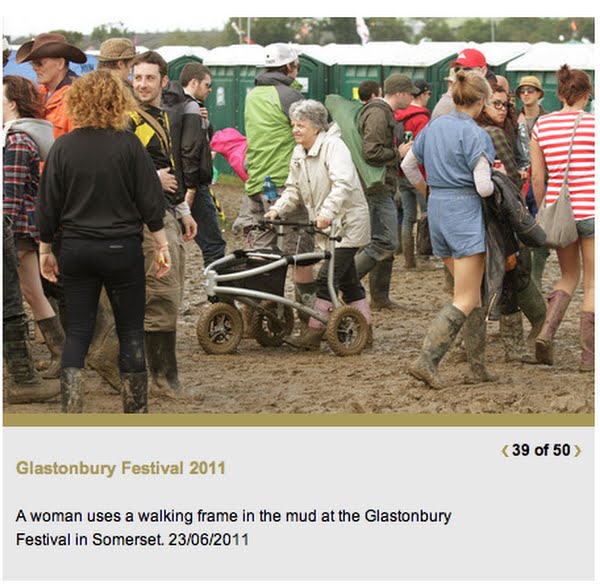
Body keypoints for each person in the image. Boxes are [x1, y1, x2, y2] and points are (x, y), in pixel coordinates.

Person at [35, 69, 170, 413]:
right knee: (130, 331)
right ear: (118, 102)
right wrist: (162, 242)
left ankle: (72, 408)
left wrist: (45, 249)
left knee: (78, 331)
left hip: (77, 250)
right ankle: (135, 410)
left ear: (78, 102)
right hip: (122, 250)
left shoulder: (63, 147)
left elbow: (47, 203)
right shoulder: (129, 145)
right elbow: (149, 199)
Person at [401, 70, 497, 388]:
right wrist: (500, 179)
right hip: (464, 214)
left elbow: (407, 165)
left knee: (471, 296)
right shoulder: (477, 134)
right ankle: (426, 360)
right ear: (481, 101)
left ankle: (478, 366)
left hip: (438, 212)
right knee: (467, 297)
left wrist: (428, 189)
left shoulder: (434, 125)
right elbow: (483, 187)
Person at [264, 100, 371, 349]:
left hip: (347, 223)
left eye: (300, 125)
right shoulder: (299, 152)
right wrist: (276, 210)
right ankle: (365, 330)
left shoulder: (334, 147)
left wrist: (326, 213)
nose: (295, 130)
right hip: (326, 226)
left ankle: (314, 332)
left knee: (327, 278)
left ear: (316, 127)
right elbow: (293, 189)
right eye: (293, 125)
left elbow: (343, 184)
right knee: (348, 281)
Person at [127, 51, 197, 393]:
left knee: (172, 291)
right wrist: (152, 177)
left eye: (149, 78)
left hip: (166, 212)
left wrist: (183, 208)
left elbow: (171, 165)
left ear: (163, 82)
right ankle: (162, 380)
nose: (142, 84)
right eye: (137, 77)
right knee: (161, 293)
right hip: (144, 221)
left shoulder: (163, 117)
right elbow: (119, 166)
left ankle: (160, 376)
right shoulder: (127, 120)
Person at [237, 42, 315, 313]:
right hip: (284, 184)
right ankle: (309, 320)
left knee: (261, 252)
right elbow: (314, 132)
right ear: (290, 67)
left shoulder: (253, 95)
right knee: (301, 252)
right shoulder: (289, 97)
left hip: (258, 181)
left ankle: (256, 314)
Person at [530, 64, 595, 371]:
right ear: (587, 94)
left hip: (559, 211)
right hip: (591, 211)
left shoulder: (541, 127)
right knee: (593, 284)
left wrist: (546, 209)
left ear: (560, 93)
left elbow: (537, 179)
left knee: (569, 276)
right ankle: (588, 357)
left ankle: (546, 333)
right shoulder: (594, 126)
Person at [475, 82, 545, 363]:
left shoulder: (471, 130)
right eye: (496, 104)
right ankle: (533, 330)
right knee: (513, 274)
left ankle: (466, 347)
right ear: (482, 104)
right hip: (500, 218)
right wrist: (517, 176)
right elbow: (510, 183)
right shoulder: (494, 134)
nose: (503, 110)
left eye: (506, 105)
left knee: (475, 283)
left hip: (472, 218)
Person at [3, 74, 65, 378]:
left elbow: (9, 197)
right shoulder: (20, 137)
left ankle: (59, 356)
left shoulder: (15, 141)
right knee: (31, 292)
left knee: (29, 293)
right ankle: (61, 354)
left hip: (16, 230)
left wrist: (5, 230)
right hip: (24, 228)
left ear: (12, 104)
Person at [355, 73, 419, 310]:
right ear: (400, 93)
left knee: (383, 244)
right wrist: (397, 153)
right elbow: (371, 152)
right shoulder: (378, 113)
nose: (412, 98)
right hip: (376, 187)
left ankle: (380, 297)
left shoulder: (380, 112)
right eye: (410, 94)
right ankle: (344, 282)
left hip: (382, 186)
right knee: (385, 242)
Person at [177, 62, 227, 266]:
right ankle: (218, 297)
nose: (210, 89)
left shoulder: (171, 104)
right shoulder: (192, 109)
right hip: (193, 183)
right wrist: (191, 188)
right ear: (194, 82)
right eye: (207, 84)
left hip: (174, 180)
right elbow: (190, 151)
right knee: (213, 245)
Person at [15, 33, 87, 139]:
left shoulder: (79, 97)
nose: (34, 68)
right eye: (32, 63)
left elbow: (79, 145)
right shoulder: (38, 94)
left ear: (60, 64)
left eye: (39, 63)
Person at [516, 75, 550, 293]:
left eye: (530, 90)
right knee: (521, 227)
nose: (526, 94)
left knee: (542, 226)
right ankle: (527, 275)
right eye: (522, 91)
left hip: (542, 178)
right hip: (518, 180)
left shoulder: (548, 119)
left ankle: (537, 275)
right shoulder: (513, 118)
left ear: (539, 94)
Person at [394, 78, 432, 268]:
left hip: (401, 173)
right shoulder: (422, 118)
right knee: (426, 215)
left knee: (408, 216)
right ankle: (424, 257)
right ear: (423, 94)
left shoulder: (398, 114)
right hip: (420, 174)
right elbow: (424, 149)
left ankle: (409, 260)